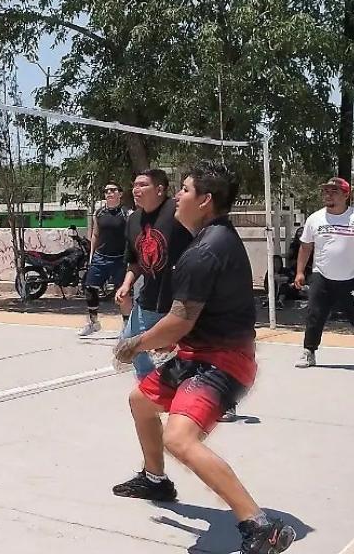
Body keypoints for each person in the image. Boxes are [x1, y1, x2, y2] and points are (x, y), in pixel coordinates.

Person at [111, 161, 297, 554]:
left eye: (185, 190)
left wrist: (135, 343)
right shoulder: (213, 238)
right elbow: (185, 324)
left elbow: (178, 321)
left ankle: (262, 526)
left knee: (179, 438)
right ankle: (155, 479)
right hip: (200, 353)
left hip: (222, 361)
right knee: (140, 401)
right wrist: (167, 338)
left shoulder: (206, 250)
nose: (178, 196)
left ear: (205, 200)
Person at [293, 177, 354, 372]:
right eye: (326, 191)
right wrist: (300, 272)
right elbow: (305, 247)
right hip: (322, 277)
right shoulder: (315, 219)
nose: (328, 194)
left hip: (353, 279)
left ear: (346, 195)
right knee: (314, 315)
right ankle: (308, 352)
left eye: (334, 191)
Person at [114, 170, 193, 378]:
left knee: (194, 353)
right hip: (149, 300)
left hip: (182, 300)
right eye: (134, 185)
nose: (136, 189)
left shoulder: (177, 211)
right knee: (129, 345)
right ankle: (149, 389)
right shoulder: (133, 220)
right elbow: (134, 261)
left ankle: (214, 398)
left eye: (142, 185)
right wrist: (126, 284)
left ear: (160, 189)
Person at [80, 183, 131, 336]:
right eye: (106, 190)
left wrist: (130, 258)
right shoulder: (99, 213)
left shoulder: (126, 213)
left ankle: (126, 326)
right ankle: (94, 322)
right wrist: (91, 255)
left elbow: (131, 236)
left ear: (120, 194)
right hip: (100, 257)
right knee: (89, 288)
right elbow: (95, 235)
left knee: (122, 293)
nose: (109, 193)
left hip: (120, 259)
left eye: (113, 190)